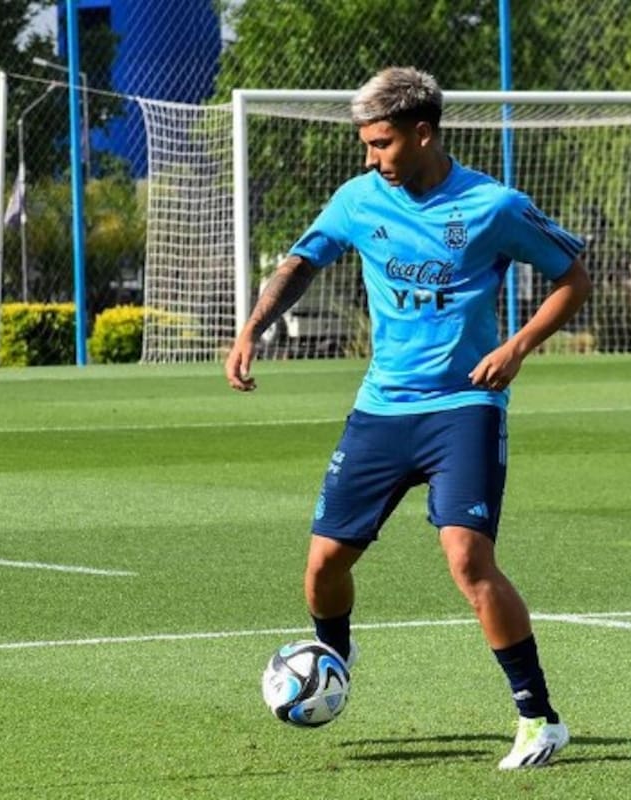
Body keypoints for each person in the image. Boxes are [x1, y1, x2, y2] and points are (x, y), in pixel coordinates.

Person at [225, 66, 591, 769]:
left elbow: (573, 274)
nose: (371, 157)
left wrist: (517, 347)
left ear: (423, 133)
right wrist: (252, 329)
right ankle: (334, 651)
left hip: (465, 404)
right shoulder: (360, 198)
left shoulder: (493, 206)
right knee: (323, 566)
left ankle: (538, 718)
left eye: (381, 143)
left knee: (466, 556)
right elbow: (302, 261)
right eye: (366, 144)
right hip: (382, 406)